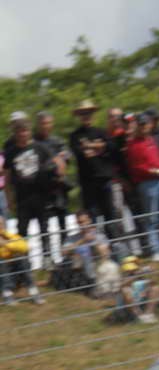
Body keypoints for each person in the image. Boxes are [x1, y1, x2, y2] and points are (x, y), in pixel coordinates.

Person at [4, 119, 59, 265]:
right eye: (19, 131)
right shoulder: (10, 152)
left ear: (29, 132)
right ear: (15, 133)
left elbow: (57, 162)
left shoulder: (40, 147)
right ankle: (23, 263)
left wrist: (56, 175)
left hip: (40, 194)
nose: (23, 134)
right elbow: (7, 178)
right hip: (22, 196)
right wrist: (9, 199)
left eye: (25, 131)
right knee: (22, 230)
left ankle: (47, 259)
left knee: (44, 228)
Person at [126, 112, 159, 261]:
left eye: (145, 124)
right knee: (152, 218)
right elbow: (137, 167)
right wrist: (158, 171)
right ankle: (156, 250)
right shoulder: (133, 144)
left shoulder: (154, 139)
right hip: (149, 183)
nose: (144, 127)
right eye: (141, 124)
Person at [69, 99, 119, 239]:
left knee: (110, 216)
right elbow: (79, 152)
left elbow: (112, 148)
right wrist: (98, 146)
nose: (86, 116)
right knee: (92, 217)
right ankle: (96, 247)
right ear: (79, 116)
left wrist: (90, 145)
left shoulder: (101, 132)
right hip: (87, 182)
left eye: (89, 113)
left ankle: (115, 245)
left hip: (104, 180)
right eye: (83, 113)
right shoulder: (75, 135)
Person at [34, 111, 71, 246]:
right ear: (38, 124)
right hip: (41, 189)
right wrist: (54, 161)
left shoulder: (57, 141)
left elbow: (67, 156)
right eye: (43, 123)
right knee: (44, 225)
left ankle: (66, 251)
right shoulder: (33, 142)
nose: (46, 126)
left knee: (63, 222)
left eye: (48, 123)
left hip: (58, 188)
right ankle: (47, 254)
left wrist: (60, 161)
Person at [0, 214, 44, 304]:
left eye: (1, 224)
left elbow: (25, 247)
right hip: (3, 269)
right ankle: (7, 293)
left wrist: (5, 243)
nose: (0, 226)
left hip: (15, 268)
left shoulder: (11, 235)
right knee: (3, 262)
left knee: (21, 258)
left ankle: (33, 290)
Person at [114, 255, 159, 324]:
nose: (131, 270)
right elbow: (121, 286)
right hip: (128, 305)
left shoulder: (142, 272)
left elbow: (155, 282)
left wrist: (152, 273)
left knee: (155, 287)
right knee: (126, 290)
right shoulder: (122, 276)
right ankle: (140, 317)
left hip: (142, 299)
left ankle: (149, 314)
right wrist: (136, 275)